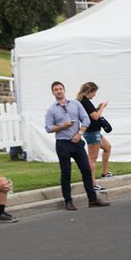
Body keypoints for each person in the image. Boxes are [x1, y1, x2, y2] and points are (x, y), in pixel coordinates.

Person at [45, 81, 109, 211]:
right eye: (56, 89)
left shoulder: (75, 104)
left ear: (64, 90)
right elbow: (48, 128)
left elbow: (86, 119)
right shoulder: (51, 109)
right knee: (66, 172)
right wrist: (62, 126)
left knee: (86, 169)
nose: (59, 91)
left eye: (60, 89)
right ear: (53, 92)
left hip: (77, 141)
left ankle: (92, 199)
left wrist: (80, 133)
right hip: (63, 142)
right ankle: (68, 201)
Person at [77, 82, 113, 185]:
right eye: (94, 92)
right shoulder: (85, 102)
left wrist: (97, 109)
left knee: (107, 147)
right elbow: (95, 117)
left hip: (94, 131)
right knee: (93, 158)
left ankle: (105, 172)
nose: (95, 95)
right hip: (92, 132)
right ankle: (92, 183)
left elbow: (91, 114)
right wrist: (102, 107)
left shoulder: (83, 101)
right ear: (90, 91)